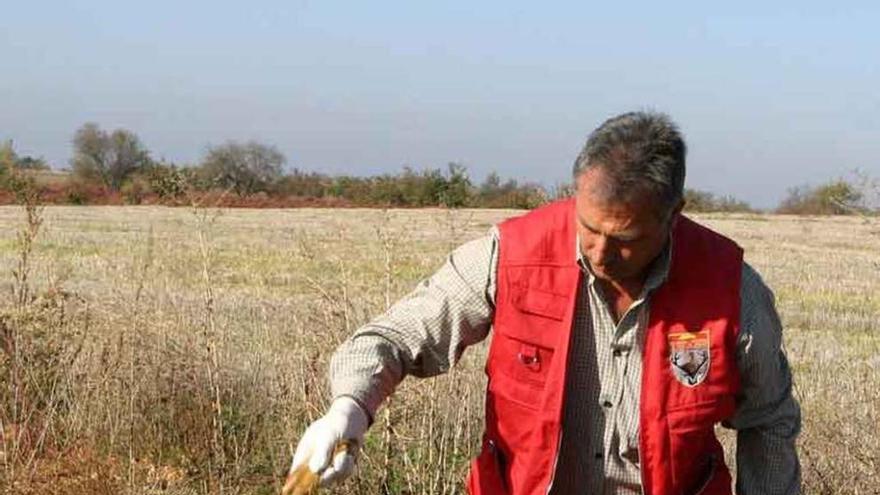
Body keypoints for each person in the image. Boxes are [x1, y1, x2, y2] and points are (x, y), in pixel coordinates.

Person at [288, 111, 801, 495]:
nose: (601, 252)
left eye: (626, 239)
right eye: (590, 228)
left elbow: (768, 419)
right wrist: (349, 408)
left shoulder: (729, 290)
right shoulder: (511, 254)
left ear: (673, 216)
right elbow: (395, 338)